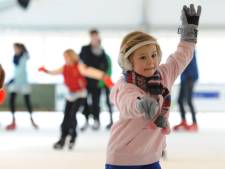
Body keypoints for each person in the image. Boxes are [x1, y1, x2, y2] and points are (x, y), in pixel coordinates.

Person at [105, 4, 201, 169]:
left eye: (153, 55)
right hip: (122, 158)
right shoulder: (125, 85)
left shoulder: (164, 75)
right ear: (129, 62)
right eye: (142, 57)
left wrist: (189, 33)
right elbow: (127, 103)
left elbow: (181, 56)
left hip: (151, 157)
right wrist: (141, 103)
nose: (150, 62)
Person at [39, 49, 113, 150]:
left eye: (67, 57)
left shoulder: (79, 66)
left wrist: (104, 77)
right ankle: (63, 138)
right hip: (70, 95)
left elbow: (90, 72)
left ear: (72, 57)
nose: (65, 59)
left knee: (72, 114)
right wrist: (46, 70)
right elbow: (54, 72)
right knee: (65, 117)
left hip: (80, 95)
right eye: (64, 57)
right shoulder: (64, 67)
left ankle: (73, 136)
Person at [79, 29, 109, 131]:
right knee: (84, 101)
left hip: (96, 81)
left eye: (96, 36)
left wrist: (101, 76)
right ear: (90, 37)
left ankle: (96, 120)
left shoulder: (101, 50)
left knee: (96, 101)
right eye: (93, 36)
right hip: (85, 81)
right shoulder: (85, 49)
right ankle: (86, 120)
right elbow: (81, 62)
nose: (95, 38)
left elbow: (105, 65)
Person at [6, 43, 38, 130]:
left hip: (23, 82)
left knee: (27, 102)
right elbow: (16, 70)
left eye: (16, 48)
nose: (15, 50)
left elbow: (21, 70)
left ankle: (32, 120)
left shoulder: (24, 56)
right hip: (16, 82)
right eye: (14, 49)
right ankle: (13, 121)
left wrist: (13, 79)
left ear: (20, 49)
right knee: (11, 101)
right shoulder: (15, 57)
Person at [173, 50, 199, 132]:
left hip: (190, 78)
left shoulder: (190, 49)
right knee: (179, 100)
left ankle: (195, 123)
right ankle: (183, 121)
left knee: (188, 100)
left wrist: (192, 77)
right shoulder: (182, 49)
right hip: (184, 78)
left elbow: (192, 64)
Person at [98, 54, 114, 129]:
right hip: (100, 83)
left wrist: (102, 81)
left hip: (105, 83)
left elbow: (109, 70)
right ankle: (97, 121)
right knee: (97, 102)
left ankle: (111, 121)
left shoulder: (106, 57)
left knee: (108, 102)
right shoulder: (96, 57)